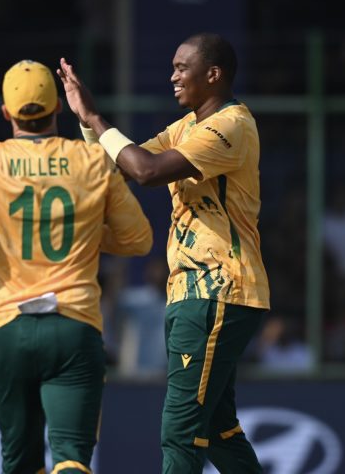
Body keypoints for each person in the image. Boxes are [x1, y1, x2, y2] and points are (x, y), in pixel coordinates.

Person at [0, 60, 153, 474]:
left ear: (5, 113)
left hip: (10, 328)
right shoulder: (92, 162)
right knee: (72, 460)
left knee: (19, 463)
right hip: (74, 325)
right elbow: (139, 240)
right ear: (58, 106)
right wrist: (84, 234)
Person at [58, 32, 270, 473]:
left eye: (181, 67)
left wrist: (97, 117)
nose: (172, 76)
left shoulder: (230, 125)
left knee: (180, 430)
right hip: (194, 291)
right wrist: (84, 120)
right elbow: (118, 168)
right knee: (215, 428)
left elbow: (149, 171)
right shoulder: (187, 127)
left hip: (217, 288)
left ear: (213, 75)